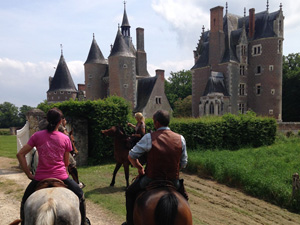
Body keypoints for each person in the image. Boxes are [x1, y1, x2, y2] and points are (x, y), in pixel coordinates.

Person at [17, 107, 90, 225]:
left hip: (40, 178)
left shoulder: (37, 136)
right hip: (61, 176)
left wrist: (29, 174)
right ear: (60, 121)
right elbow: (66, 163)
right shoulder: (65, 138)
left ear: (47, 120)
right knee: (80, 195)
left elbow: (20, 154)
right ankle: (84, 221)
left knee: (25, 200)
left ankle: (24, 221)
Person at [122, 110, 188, 225]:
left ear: (156, 123)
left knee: (130, 192)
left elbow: (131, 156)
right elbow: (183, 163)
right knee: (185, 198)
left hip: (151, 179)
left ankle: (129, 223)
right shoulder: (180, 138)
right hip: (173, 181)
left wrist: (139, 168)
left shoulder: (149, 138)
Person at [59, 116, 85, 189]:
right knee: (72, 163)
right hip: (61, 150)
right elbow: (67, 140)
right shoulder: (61, 129)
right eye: (64, 119)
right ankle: (77, 183)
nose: (65, 120)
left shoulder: (45, 128)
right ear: (61, 120)